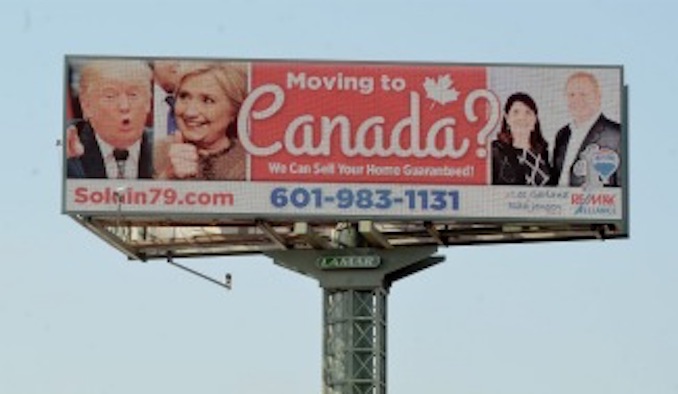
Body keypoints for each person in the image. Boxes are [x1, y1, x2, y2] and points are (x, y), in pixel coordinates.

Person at [154, 61, 247, 180]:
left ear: (234, 111)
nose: (190, 112)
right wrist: (167, 177)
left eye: (207, 100)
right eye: (184, 97)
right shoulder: (155, 154)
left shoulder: (250, 163)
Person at [66, 59, 153, 179]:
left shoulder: (164, 149)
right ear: (86, 105)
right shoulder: (69, 147)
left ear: (148, 102)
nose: (124, 106)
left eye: (133, 95)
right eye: (110, 96)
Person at [550, 71, 622, 187]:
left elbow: (622, 188)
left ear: (598, 96)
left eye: (583, 94)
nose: (577, 100)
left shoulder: (617, 134)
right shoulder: (562, 134)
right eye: (571, 95)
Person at [491, 92, 551, 186]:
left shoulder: (544, 154)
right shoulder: (495, 152)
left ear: (535, 119)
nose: (522, 117)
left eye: (528, 112)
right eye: (516, 112)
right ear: (507, 118)